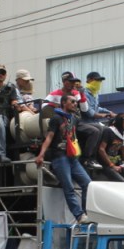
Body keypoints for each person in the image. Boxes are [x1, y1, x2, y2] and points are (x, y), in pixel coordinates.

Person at [34, 93, 91, 224]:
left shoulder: (74, 119)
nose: (75, 104)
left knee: (88, 183)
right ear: (64, 103)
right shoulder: (56, 118)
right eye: (72, 102)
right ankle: (79, 215)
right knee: (68, 187)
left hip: (72, 157)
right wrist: (41, 154)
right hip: (60, 156)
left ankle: (87, 213)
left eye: (76, 102)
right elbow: (49, 137)